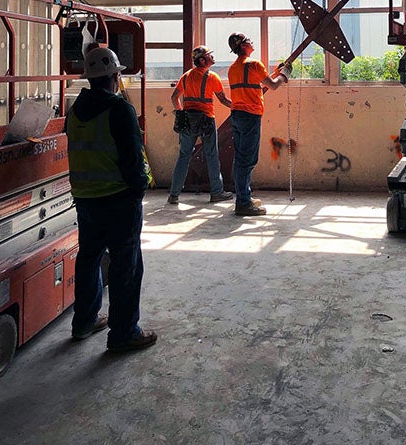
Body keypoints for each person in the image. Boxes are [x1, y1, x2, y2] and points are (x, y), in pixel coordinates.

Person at [65, 46, 157, 353]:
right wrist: (139, 188)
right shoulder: (119, 109)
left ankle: (84, 321)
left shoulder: (75, 110)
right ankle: (123, 332)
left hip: (86, 200)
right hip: (118, 199)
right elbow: (132, 157)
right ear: (115, 76)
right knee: (125, 264)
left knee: (89, 258)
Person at [227, 33, 291, 216]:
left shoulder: (233, 68)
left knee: (240, 158)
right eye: (249, 40)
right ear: (243, 45)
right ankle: (243, 202)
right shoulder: (254, 64)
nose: (252, 42)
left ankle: (243, 195)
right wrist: (284, 75)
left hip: (237, 115)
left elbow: (256, 84)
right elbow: (273, 86)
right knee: (248, 160)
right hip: (250, 116)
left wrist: (276, 73)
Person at [168, 45, 233, 205]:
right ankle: (217, 192)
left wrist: (180, 113)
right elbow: (223, 100)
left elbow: (174, 97)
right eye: (210, 55)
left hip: (188, 120)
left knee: (184, 156)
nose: (212, 57)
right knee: (211, 156)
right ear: (203, 60)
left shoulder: (186, 76)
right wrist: (240, 106)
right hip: (206, 120)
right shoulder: (212, 77)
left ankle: (174, 195)